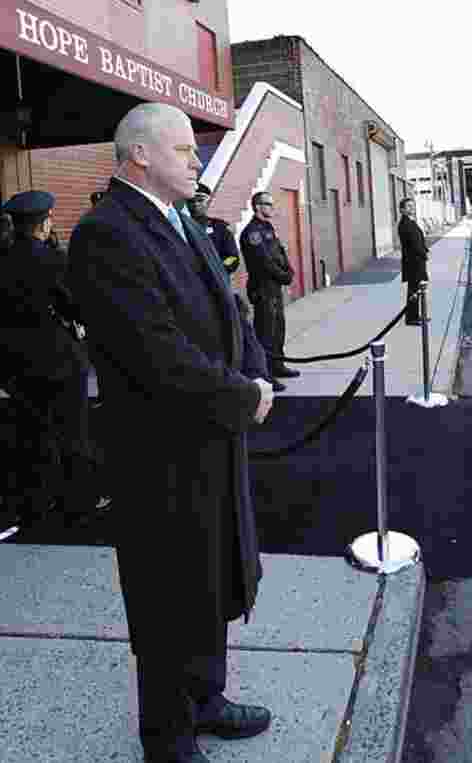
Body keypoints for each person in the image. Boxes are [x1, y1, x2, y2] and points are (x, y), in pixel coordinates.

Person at [67, 102, 276, 763]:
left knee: (212, 577)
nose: (196, 160)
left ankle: (206, 699)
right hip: (159, 457)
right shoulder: (106, 233)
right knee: (167, 597)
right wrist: (243, 394)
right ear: (140, 156)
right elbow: (156, 352)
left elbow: (231, 310)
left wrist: (257, 367)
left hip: (210, 437)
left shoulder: (181, 219)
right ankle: (167, 735)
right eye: (184, 150)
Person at [0, 190, 109, 524]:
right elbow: (75, 306)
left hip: (14, 362)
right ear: (44, 223)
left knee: (32, 431)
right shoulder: (52, 260)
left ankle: (37, 502)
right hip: (58, 359)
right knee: (72, 431)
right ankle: (78, 501)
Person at [240, 191, 298, 392]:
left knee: (278, 328)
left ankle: (277, 366)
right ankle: (264, 374)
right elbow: (263, 262)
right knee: (265, 332)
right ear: (257, 206)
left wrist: (289, 270)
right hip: (263, 287)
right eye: (269, 204)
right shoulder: (252, 232)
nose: (273, 207)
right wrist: (284, 276)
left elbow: (279, 253)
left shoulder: (268, 228)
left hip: (275, 287)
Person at [188, 182, 242, 276]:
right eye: (191, 201)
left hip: (215, 281)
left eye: (200, 200)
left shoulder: (220, 228)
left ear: (208, 202)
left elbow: (232, 257)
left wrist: (218, 268)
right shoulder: (181, 225)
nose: (196, 204)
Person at [397, 197, 429, 326]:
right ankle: (411, 318)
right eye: (408, 206)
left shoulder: (411, 222)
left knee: (416, 289)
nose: (412, 208)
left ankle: (416, 315)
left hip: (417, 261)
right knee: (414, 290)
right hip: (413, 262)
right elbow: (413, 244)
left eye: (412, 205)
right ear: (402, 210)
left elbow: (419, 239)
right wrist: (423, 253)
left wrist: (425, 250)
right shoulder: (404, 224)